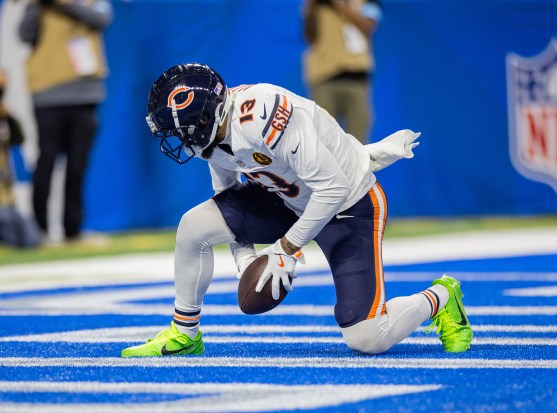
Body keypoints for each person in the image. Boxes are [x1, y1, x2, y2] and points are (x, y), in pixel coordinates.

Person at [121, 63, 472, 357]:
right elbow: (226, 195)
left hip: (349, 203)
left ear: (204, 120)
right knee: (194, 226)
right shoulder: (215, 134)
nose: (180, 141)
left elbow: (332, 188)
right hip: (286, 198)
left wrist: (286, 249)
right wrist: (246, 262)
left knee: (367, 337)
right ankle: (185, 333)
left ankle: (441, 297)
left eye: (183, 132)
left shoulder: (262, 118)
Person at [18, 0, 112, 242]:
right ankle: (39, 230)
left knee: (78, 165)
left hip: (85, 93)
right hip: (47, 95)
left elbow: (101, 20)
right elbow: (24, 35)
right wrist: (37, 6)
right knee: (46, 160)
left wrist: (65, 4)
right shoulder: (38, 6)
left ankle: (73, 229)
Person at [302, 0, 381, 144]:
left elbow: (369, 25)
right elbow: (309, 35)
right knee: (322, 140)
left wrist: (341, 5)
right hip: (324, 78)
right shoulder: (319, 4)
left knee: (358, 143)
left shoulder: (368, 2)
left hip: (357, 79)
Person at [0, 69, 41, 248]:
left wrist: (8, 117)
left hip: (7, 199)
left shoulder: (5, 118)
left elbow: (19, 138)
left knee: (31, 240)